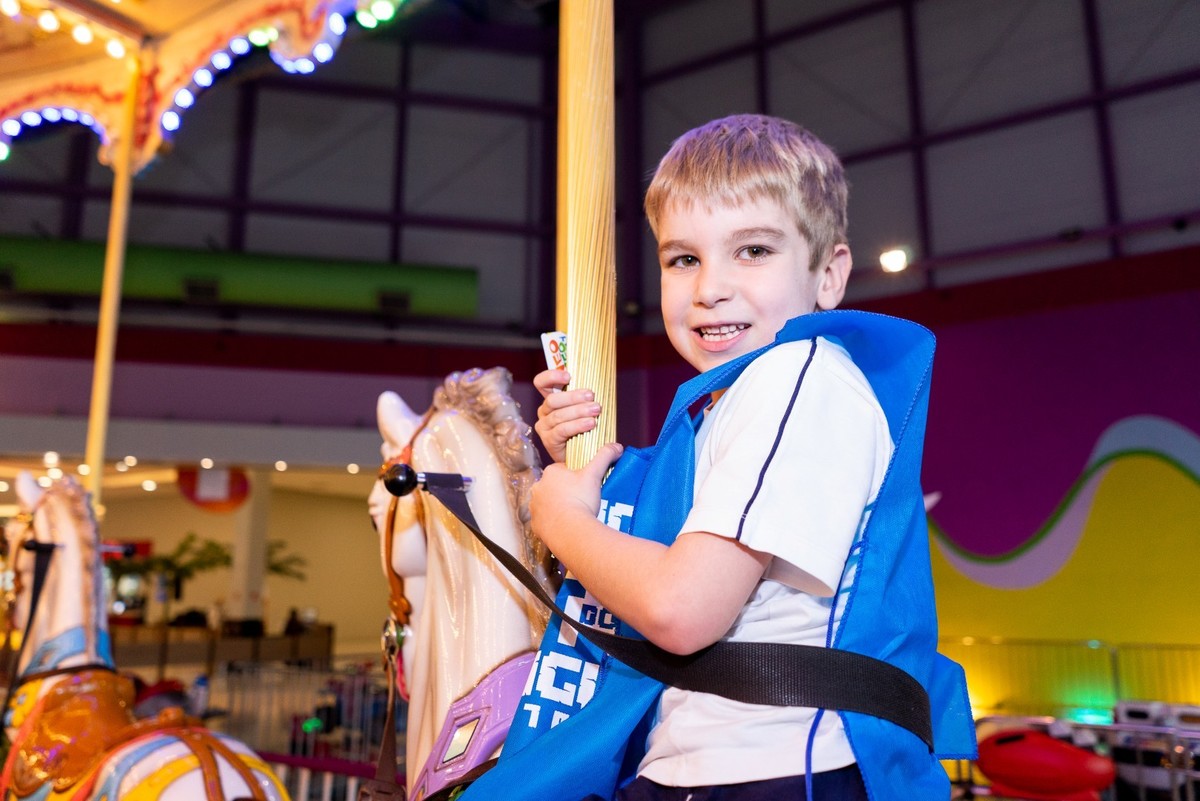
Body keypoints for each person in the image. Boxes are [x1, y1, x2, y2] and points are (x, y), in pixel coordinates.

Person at [460, 114, 974, 801]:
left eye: (753, 251)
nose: (710, 287)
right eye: (683, 259)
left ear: (829, 274)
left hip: (774, 765)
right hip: (703, 762)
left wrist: (562, 520)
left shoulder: (797, 374)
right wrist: (582, 473)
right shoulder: (729, 403)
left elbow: (681, 605)